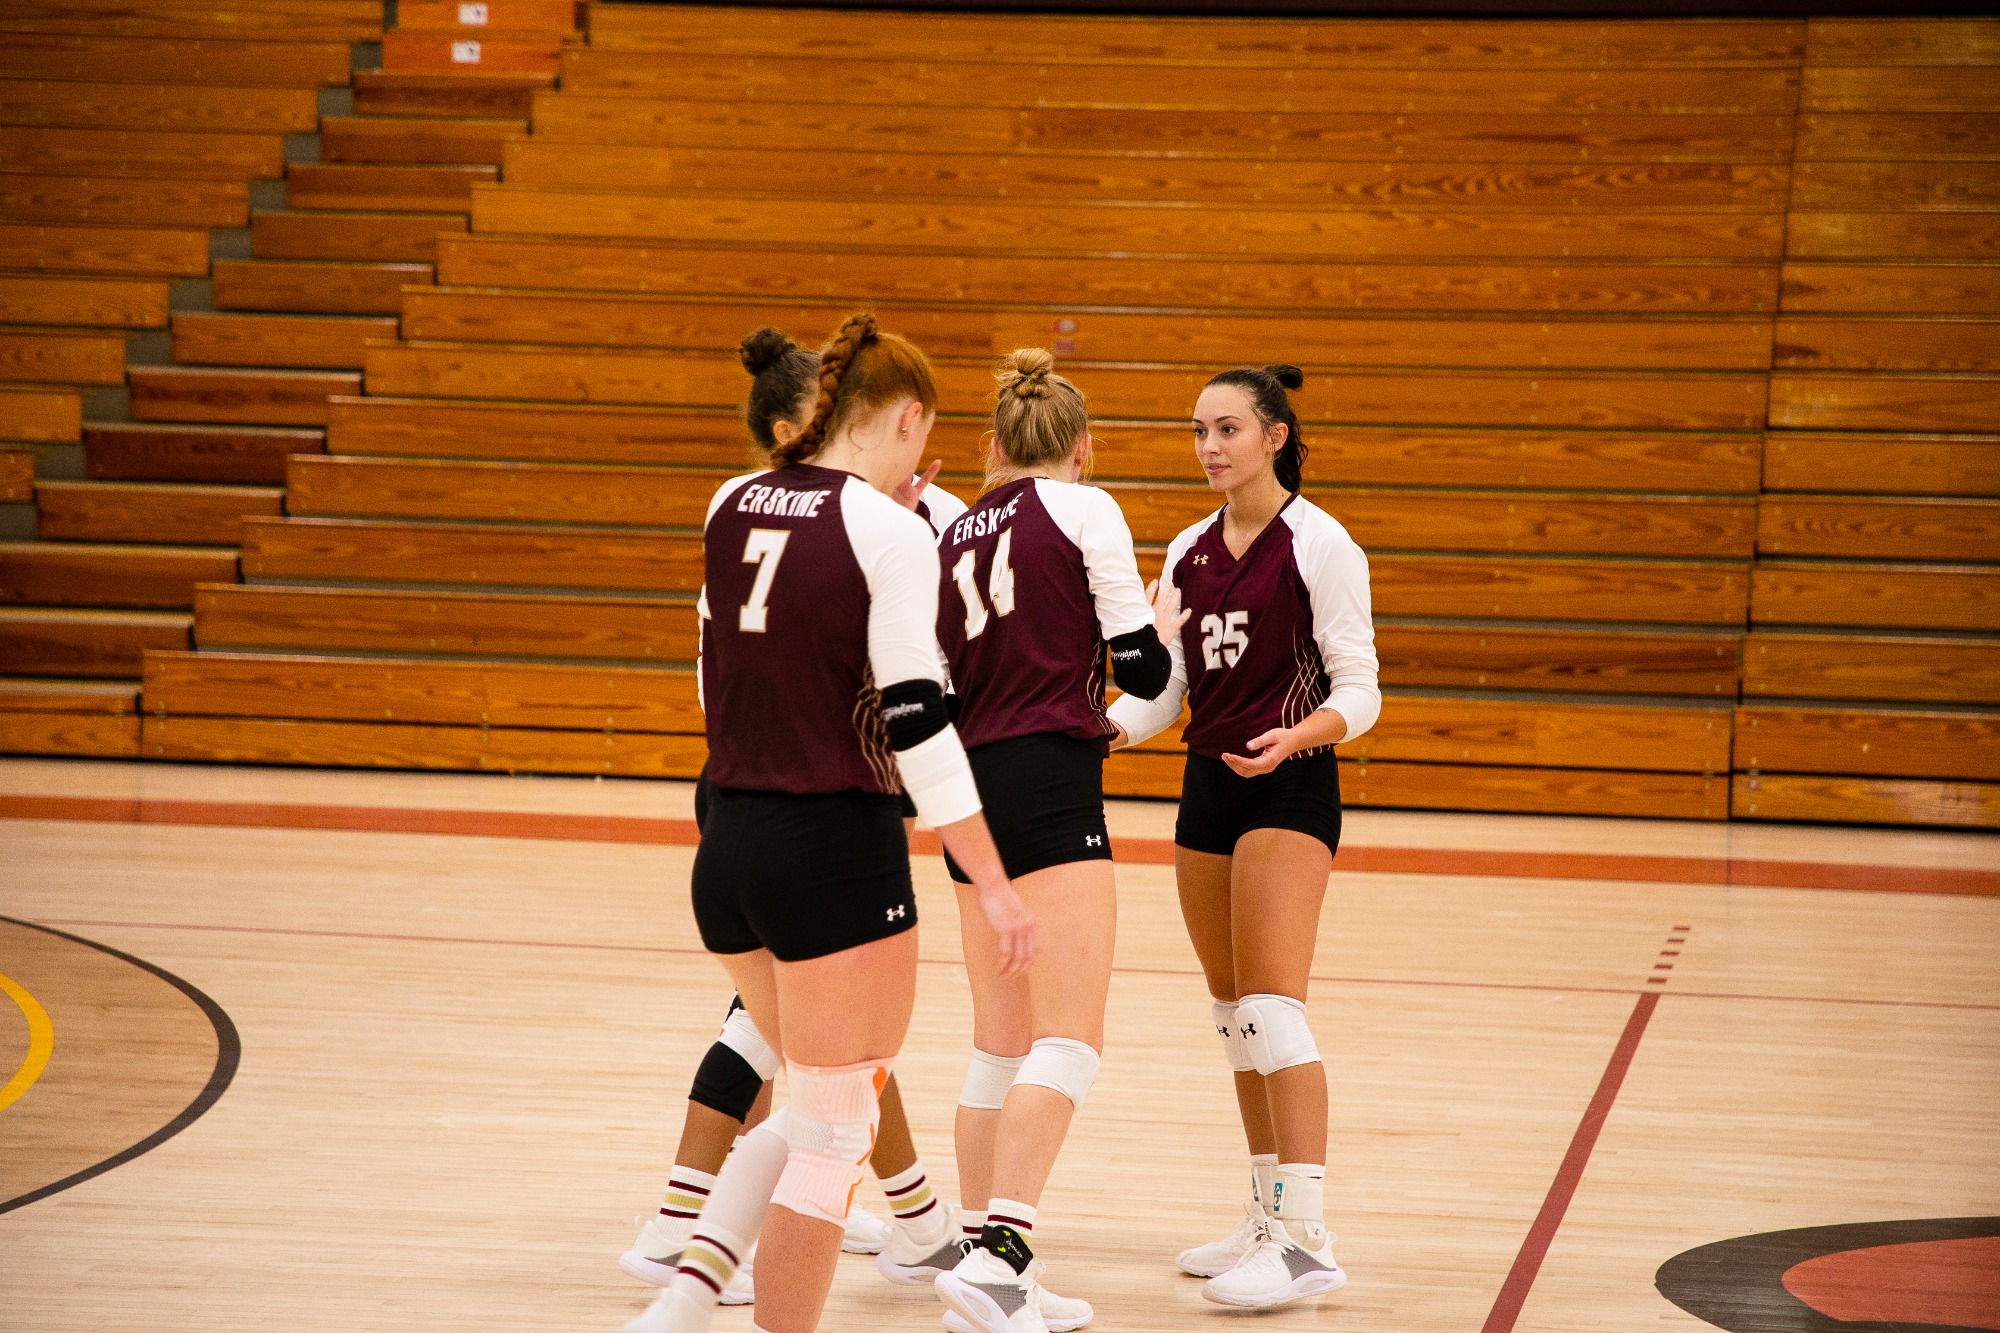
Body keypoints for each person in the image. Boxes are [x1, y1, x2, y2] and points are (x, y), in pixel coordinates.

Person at [632, 313, 1037, 1333]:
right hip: (832, 852)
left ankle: (676, 1307)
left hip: (725, 838)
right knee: (832, 1129)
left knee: (813, 1104)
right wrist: (989, 878)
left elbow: (709, 676)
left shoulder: (729, 503)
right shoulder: (890, 529)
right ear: (905, 420)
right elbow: (917, 722)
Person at [1105, 365, 1378, 1311]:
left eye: (1227, 429)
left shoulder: (1321, 543)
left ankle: (1307, 1238)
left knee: (1272, 1005)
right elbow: (1164, 693)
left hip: (1290, 783)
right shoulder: (1186, 548)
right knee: (1233, 1017)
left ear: (1274, 435)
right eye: (1198, 431)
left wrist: (1298, 737)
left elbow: (1362, 689)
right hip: (1207, 787)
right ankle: (1266, 1211)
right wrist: (1095, 729)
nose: (1210, 447)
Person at [926, 350, 1184, 1333]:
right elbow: (1140, 662)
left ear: (992, 447)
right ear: (1081, 448)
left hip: (965, 789)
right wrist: (1159, 623)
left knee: (996, 1045)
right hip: (1047, 781)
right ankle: (1000, 1265)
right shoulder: (1087, 509)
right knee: (1067, 1039)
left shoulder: (950, 531)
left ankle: (985, 1270)